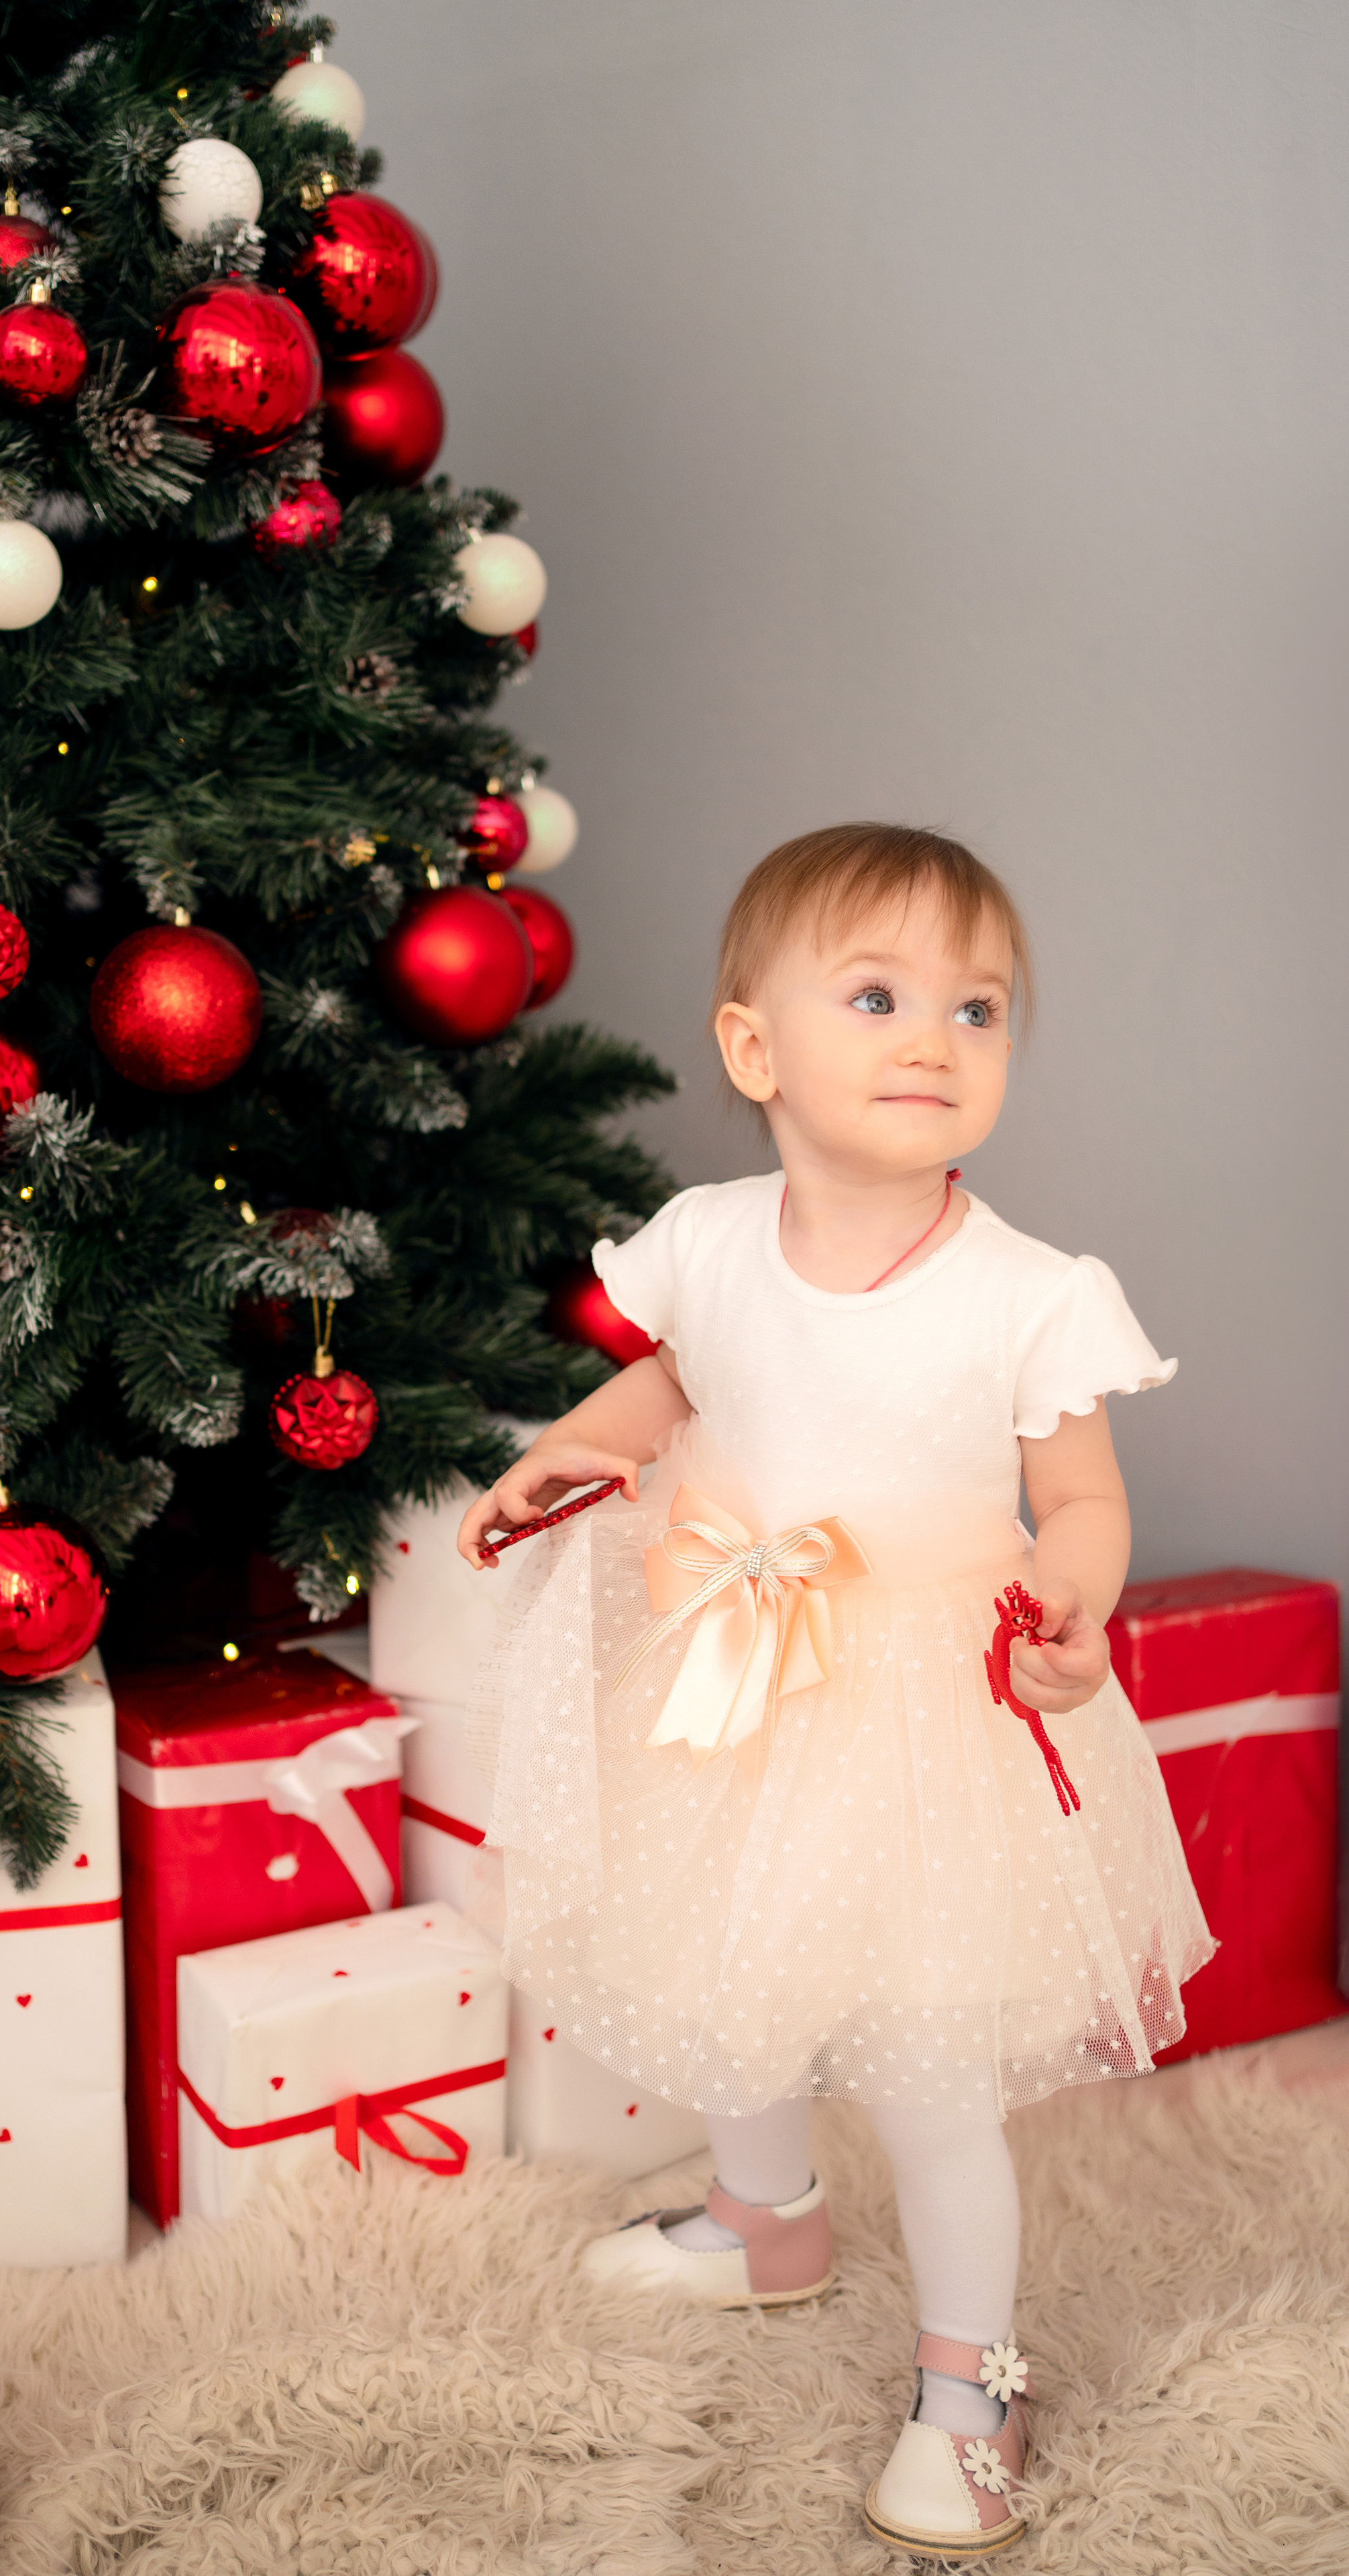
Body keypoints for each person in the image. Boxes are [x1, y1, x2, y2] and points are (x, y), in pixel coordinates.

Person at [457, 824, 1211, 2560]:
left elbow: (1081, 1500)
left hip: (936, 1708)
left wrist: (1074, 1602)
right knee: (737, 1965)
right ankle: (763, 2214)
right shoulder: (710, 1241)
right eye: (877, 998)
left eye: (978, 1007)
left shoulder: (1030, 1293)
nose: (934, 1038)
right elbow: (668, 1388)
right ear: (754, 1050)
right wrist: (574, 1455)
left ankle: (972, 2381)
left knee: (935, 2065)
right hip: (736, 1668)